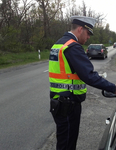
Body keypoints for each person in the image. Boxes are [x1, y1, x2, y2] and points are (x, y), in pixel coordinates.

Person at [49, 16, 116, 150]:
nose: (89, 37)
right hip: (68, 105)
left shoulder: (59, 44)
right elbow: (89, 76)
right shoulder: (73, 47)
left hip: (58, 102)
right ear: (81, 29)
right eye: (88, 33)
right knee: (67, 145)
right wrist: (113, 88)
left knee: (63, 142)